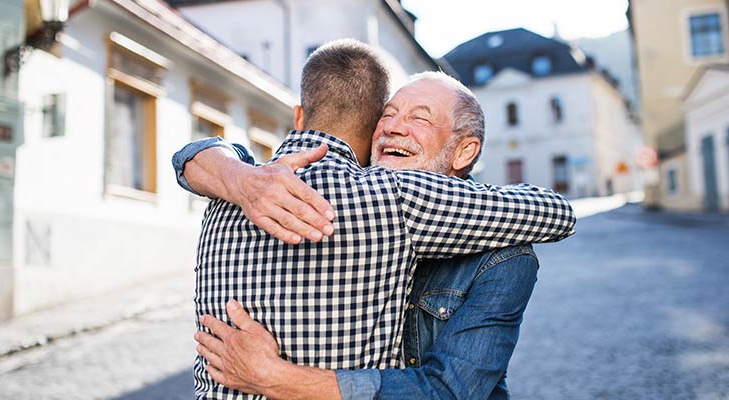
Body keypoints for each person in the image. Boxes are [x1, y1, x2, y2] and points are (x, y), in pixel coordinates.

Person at [174, 39, 575, 399]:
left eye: (419, 117)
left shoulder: (502, 257)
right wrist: (238, 178)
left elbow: (450, 392)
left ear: (463, 152)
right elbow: (197, 156)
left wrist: (276, 377)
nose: (395, 127)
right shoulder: (266, 186)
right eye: (387, 114)